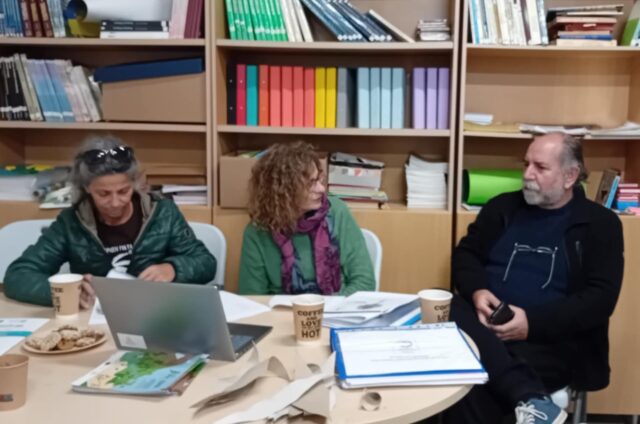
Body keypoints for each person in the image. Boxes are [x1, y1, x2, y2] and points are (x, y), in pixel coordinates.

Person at [444, 132, 624, 424]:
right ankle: (528, 396)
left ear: (570, 176)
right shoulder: (502, 207)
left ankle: (523, 394)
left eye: (540, 167)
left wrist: (530, 323)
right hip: (483, 327)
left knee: (473, 383)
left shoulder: (600, 224)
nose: (527, 174)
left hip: (550, 341)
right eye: (526, 164)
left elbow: (600, 299)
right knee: (440, 301)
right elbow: (466, 256)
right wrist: (477, 292)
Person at [4, 136, 217, 309]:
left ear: (135, 184)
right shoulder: (72, 222)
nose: (115, 202)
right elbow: (18, 275)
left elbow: (205, 262)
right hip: (94, 317)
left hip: (156, 311)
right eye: (103, 194)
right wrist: (67, 292)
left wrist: (172, 269)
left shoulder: (162, 213)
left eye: (123, 191)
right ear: (86, 188)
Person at [238, 141, 375, 295]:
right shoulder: (257, 231)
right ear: (284, 191)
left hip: (337, 305)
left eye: (319, 180)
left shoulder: (336, 211)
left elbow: (364, 281)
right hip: (281, 309)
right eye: (311, 184)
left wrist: (330, 307)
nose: (321, 189)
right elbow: (252, 297)